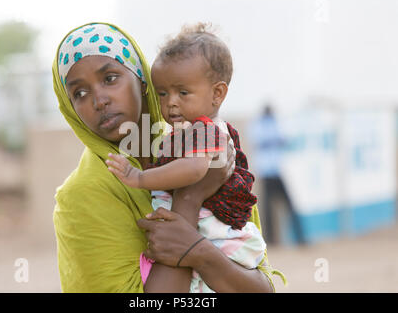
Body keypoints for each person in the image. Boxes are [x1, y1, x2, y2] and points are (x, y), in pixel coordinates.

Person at [52, 22, 286, 292]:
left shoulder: (204, 145)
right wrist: (189, 198)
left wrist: (199, 252)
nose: (99, 100)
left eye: (110, 78)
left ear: (142, 81)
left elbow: (261, 285)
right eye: (79, 93)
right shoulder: (82, 196)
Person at [106, 23, 267, 292]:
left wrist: (139, 177)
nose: (171, 103)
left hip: (210, 230)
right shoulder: (187, 130)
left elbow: (193, 169)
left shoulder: (205, 129)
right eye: (162, 93)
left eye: (182, 92)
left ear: (217, 93)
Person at [249, 104, 305, 245]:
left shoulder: (275, 123)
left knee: (290, 206)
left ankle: (301, 239)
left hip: (276, 170)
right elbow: (260, 141)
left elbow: (284, 139)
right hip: (266, 172)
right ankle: (270, 241)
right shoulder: (258, 124)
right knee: (267, 211)